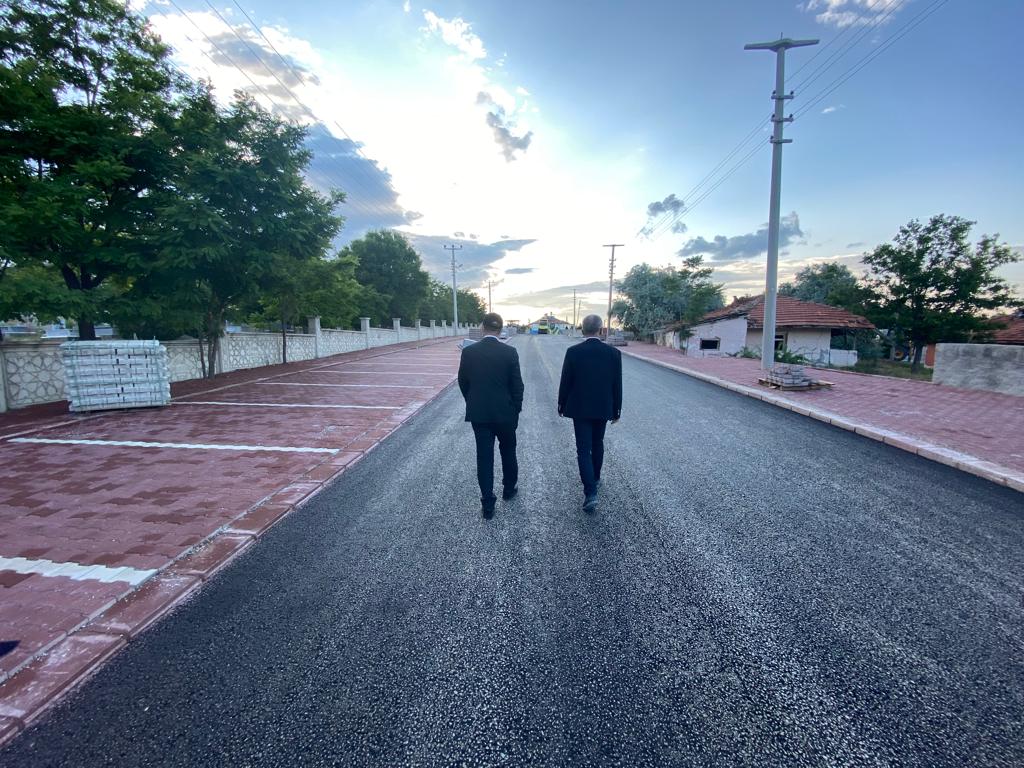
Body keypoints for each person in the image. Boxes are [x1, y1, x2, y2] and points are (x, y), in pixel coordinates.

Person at [457, 313, 524, 517]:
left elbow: (463, 382)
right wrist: (515, 410)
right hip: (505, 413)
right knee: (508, 450)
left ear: (482, 327)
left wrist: (472, 401)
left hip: (480, 414)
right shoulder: (510, 352)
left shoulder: (469, 352)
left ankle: (487, 503)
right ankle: (509, 489)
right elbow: (517, 386)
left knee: (484, 456)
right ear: (501, 329)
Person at [558, 314, 622, 512]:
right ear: (601, 329)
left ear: (582, 329)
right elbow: (617, 384)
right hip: (603, 407)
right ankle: (595, 477)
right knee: (598, 443)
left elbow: (566, 380)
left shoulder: (573, 352)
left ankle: (590, 492)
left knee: (583, 449)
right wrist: (617, 409)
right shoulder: (613, 353)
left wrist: (561, 404)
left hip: (580, 408)